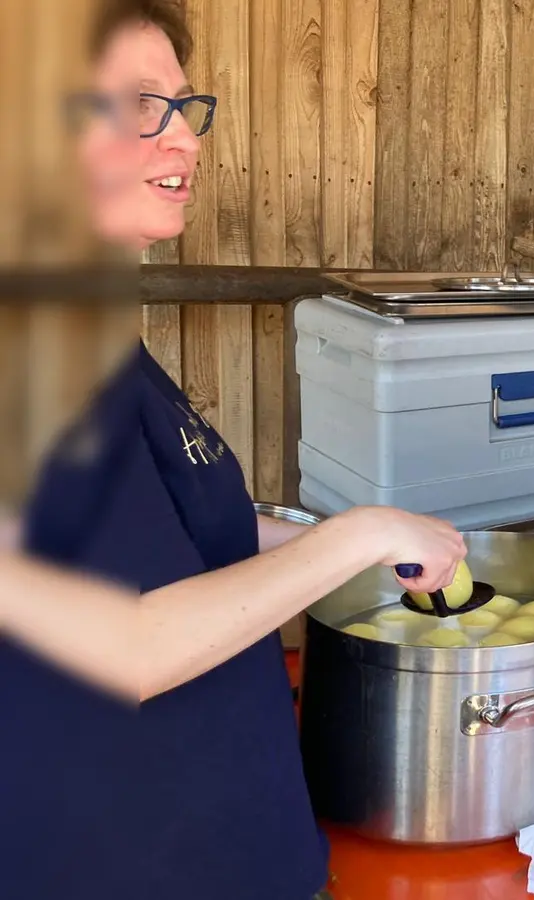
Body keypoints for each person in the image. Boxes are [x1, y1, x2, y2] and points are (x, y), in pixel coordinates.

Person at [0, 3, 467, 898]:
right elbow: (124, 652)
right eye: (141, 105)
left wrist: (381, 544)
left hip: (242, 842)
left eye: (185, 105)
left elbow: (191, 529)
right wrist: (359, 535)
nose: (184, 139)